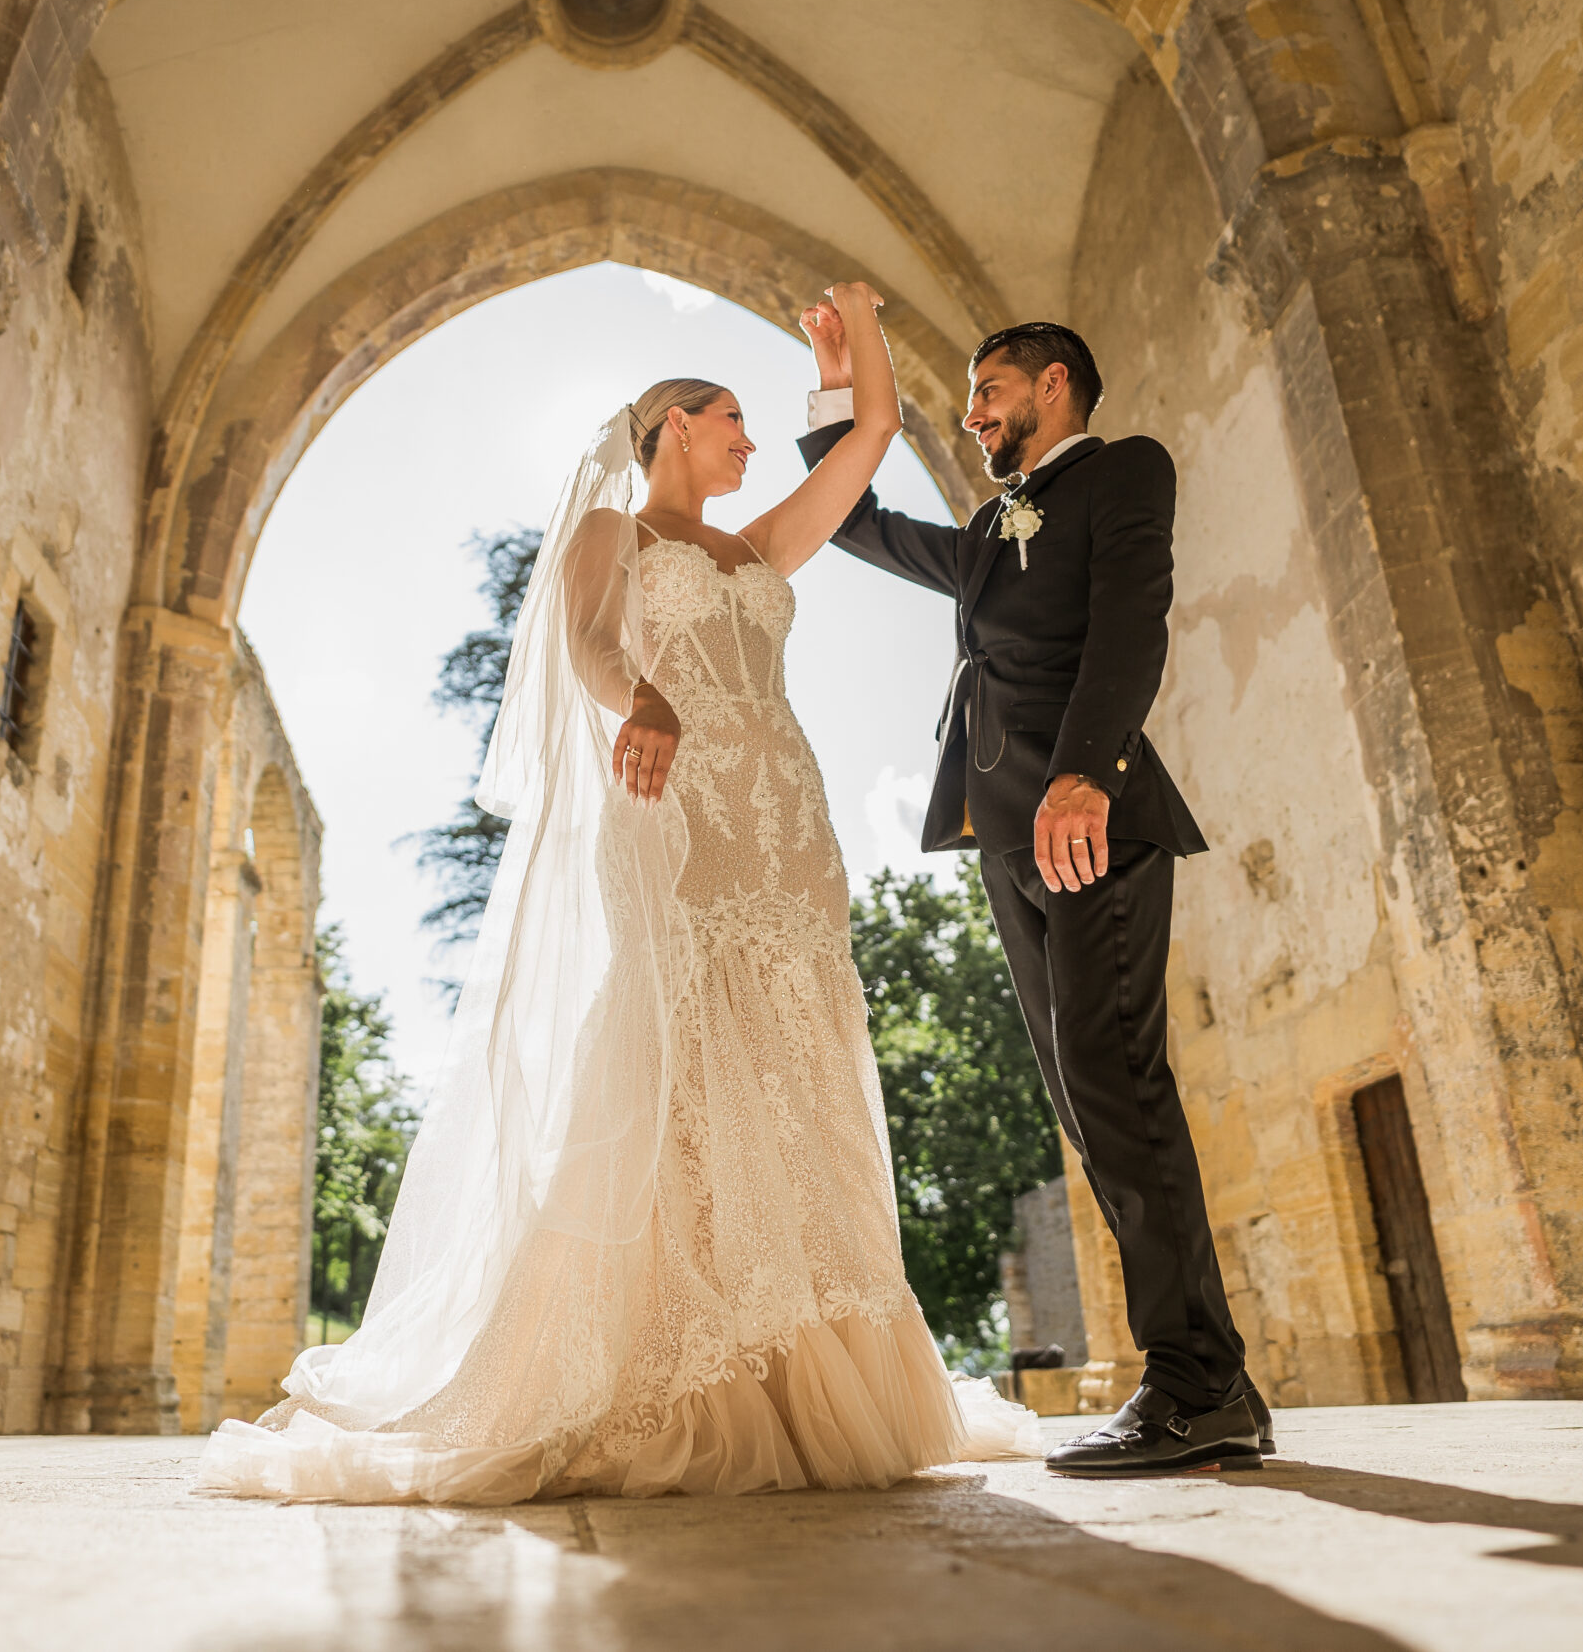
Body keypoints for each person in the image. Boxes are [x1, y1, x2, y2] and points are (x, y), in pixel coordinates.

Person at [200, 281, 1050, 1505]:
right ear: (669, 432)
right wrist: (643, 698)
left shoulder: (758, 549)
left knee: (796, 1052)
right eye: (731, 422)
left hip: (788, 821)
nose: (751, 444)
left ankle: (805, 1351)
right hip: (678, 798)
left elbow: (869, 441)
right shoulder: (618, 534)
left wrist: (848, 329)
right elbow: (587, 645)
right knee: (684, 1050)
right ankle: (674, 1356)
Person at [797, 308, 1271, 1476]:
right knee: (1086, 1097)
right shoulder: (988, 529)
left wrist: (1082, 775)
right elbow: (853, 524)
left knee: (1117, 1084)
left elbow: (1129, 627)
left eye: (987, 391)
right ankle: (1211, 1385)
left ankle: (1197, 1383)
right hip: (1007, 832)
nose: (970, 415)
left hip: (1084, 819)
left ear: (1053, 385)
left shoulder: (1123, 473)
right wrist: (834, 397)